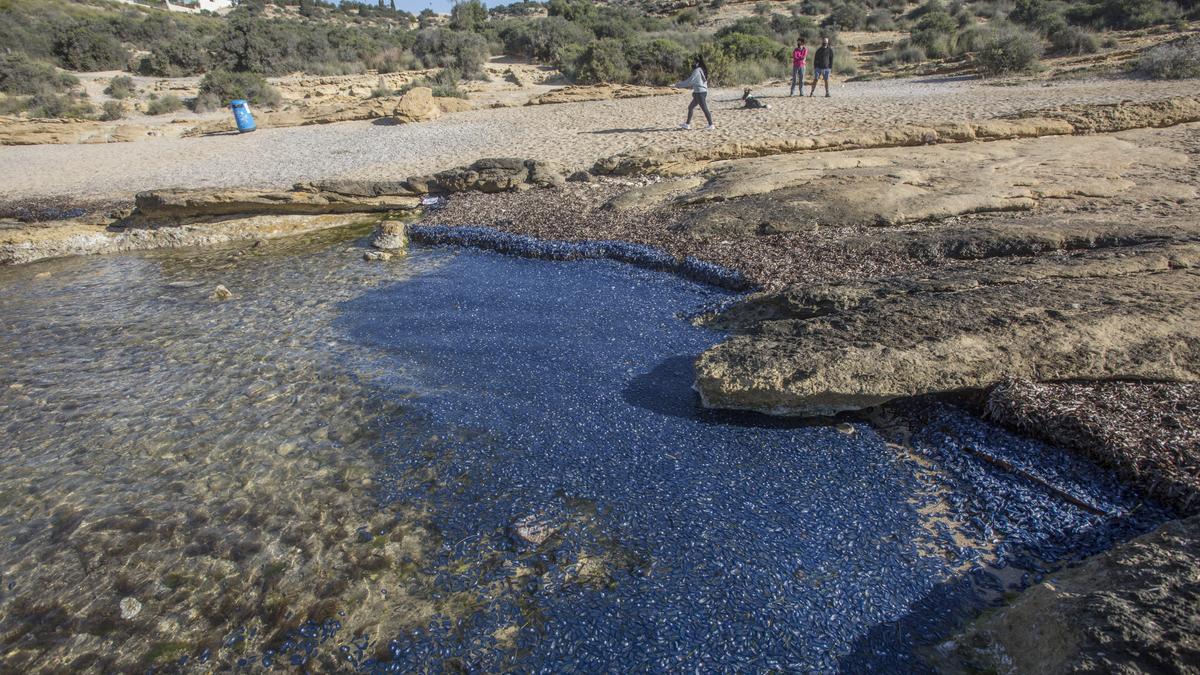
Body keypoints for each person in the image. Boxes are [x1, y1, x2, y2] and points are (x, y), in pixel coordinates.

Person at [675, 57, 714, 130]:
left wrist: (678, 85)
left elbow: (690, 81)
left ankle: (711, 124)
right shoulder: (701, 70)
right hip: (699, 92)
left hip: (700, 93)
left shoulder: (697, 71)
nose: (692, 63)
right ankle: (687, 124)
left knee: (705, 109)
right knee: (690, 107)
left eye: (694, 62)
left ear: (698, 63)